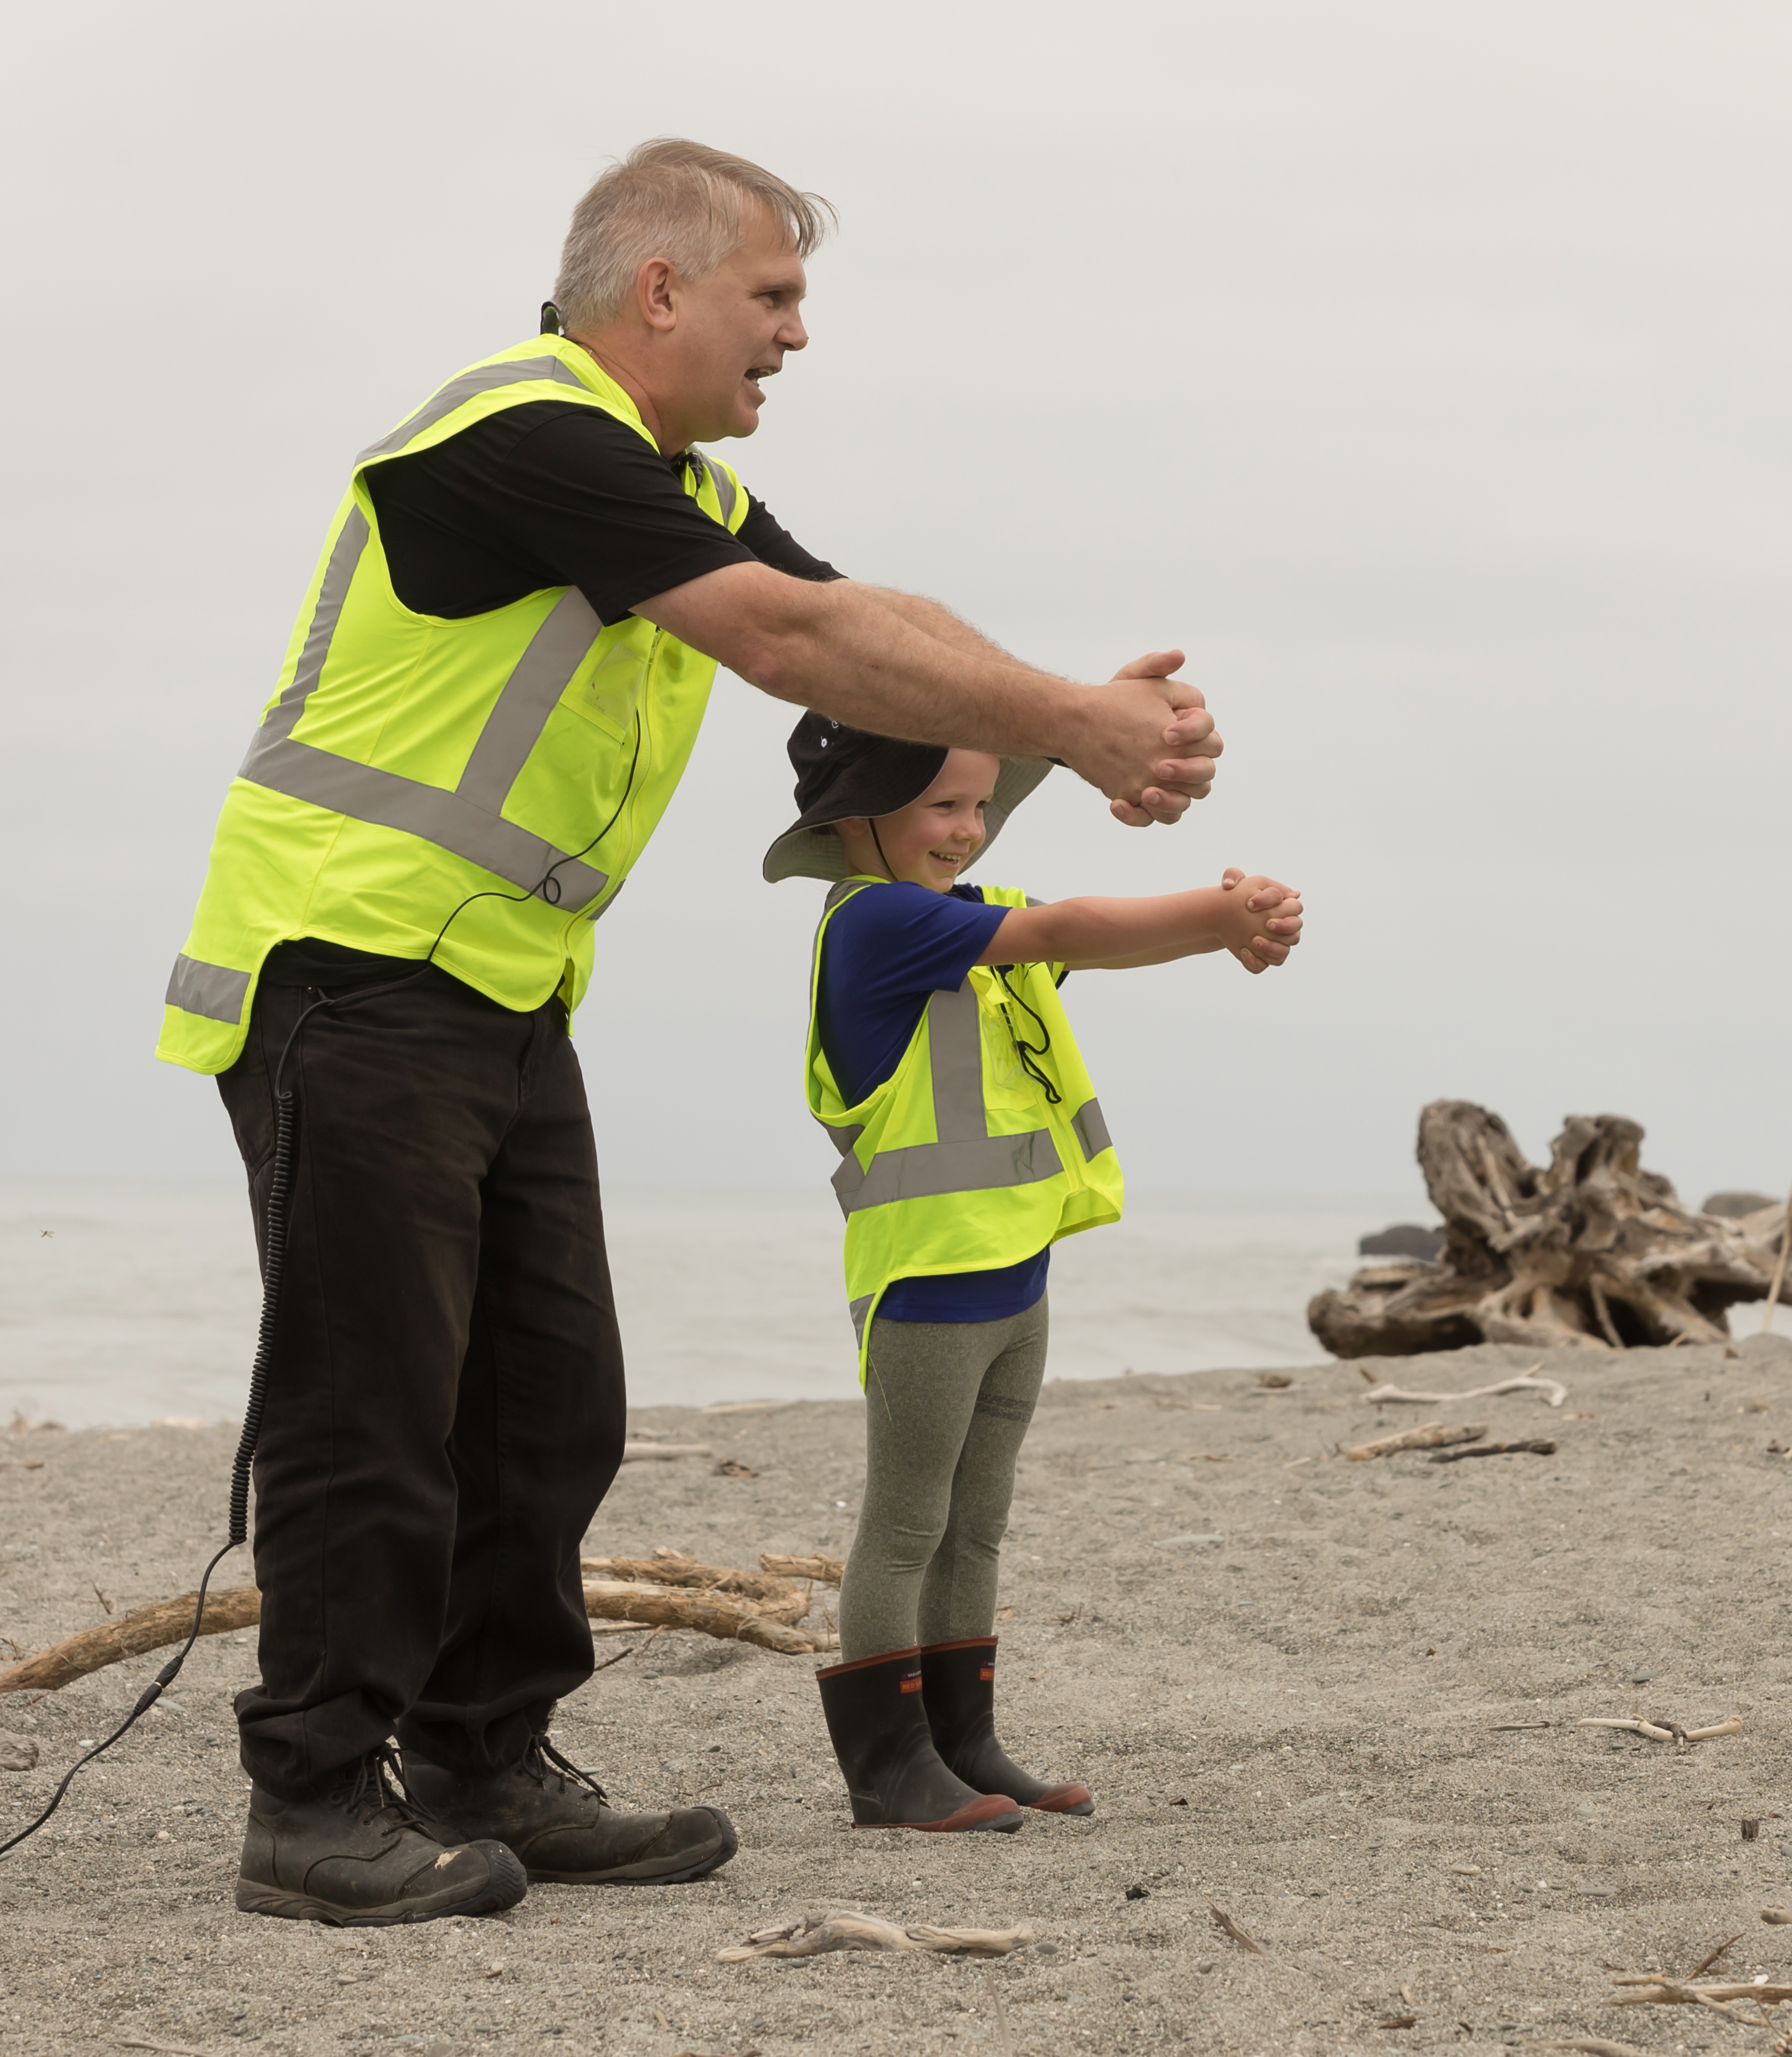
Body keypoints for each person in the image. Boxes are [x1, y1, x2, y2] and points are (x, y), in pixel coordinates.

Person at [155, 138, 1225, 1925]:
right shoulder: (521, 435)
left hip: (499, 988)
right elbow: (793, 645)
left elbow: (869, 616)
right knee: (374, 1408)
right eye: (773, 296)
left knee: (551, 1404)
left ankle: (485, 1755)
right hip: (345, 968)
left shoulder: (665, 480)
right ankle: (314, 1799)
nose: (796, 336)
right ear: (658, 291)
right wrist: (1070, 721)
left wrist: (1066, 710)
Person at [763, 719, 1302, 1832]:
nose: (968, 828)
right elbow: (1068, 928)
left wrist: (1219, 930)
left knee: (978, 1524)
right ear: (857, 819)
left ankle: (963, 1743)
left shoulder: (965, 917)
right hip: (926, 1282)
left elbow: (1088, 943)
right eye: (943, 806)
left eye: (979, 805)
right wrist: (1216, 915)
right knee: (905, 1527)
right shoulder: (877, 922)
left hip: (1016, 1276)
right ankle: (889, 1768)